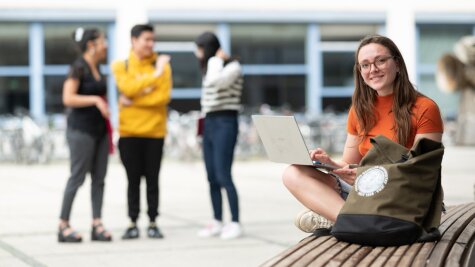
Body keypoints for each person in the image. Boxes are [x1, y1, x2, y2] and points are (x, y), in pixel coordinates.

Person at [283, 35, 444, 233]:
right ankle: (352, 222)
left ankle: (344, 220)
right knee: (293, 173)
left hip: (402, 196)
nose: (373, 70)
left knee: (307, 215)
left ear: (398, 64)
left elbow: (421, 172)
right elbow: (350, 165)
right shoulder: (360, 110)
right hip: (365, 189)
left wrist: (363, 176)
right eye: (365, 65)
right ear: (360, 72)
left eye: (380, 61)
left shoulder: (425, 108)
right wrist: (330, 165)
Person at [111, 24, 172, 240]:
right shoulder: (121, 66)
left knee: (153, 180)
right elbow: (127, 89)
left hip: (155, 133)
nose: (150, 44)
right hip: (129, 134)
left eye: (152, 40)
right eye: (146, 39)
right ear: (133, 40)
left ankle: (153, 222)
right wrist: (154, 76)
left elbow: (162, 98)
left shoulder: (164, 65)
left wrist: (135, 98)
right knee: (133, 180)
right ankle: (132, 222)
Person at [59, 27, 112, 242]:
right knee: (77, 177)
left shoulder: (97, 67)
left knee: (99, 179)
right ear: (92, 45)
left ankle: (96, 223)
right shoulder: (78, 67)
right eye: (103, 41)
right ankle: (63, 225)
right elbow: (68, 98)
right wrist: (96, 100)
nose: (106, 45)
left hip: (100, 131)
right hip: (81, 131)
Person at [194, 32, 244, 240]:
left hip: (226, 121)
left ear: (207, 48)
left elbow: (215, 83)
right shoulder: (211, 67)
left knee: (224, 174)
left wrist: (216, 59)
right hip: (210, 122)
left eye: (199, 49)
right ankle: (217, 220)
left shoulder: (232, 67)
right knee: (211, 176)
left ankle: (234, 222)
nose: (197, 54)